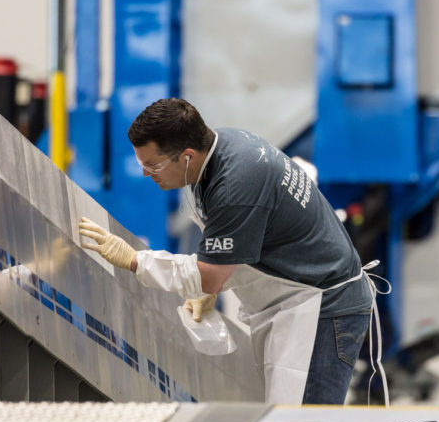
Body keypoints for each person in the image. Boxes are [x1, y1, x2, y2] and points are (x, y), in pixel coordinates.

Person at [79, 98, 378, 405]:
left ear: (186, 156)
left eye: (152, 165)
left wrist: (135, 261)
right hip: (294, 299)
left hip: (321, 310)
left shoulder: (237, 183)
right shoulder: (217, 151)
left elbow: (209, 276)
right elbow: (245, 238)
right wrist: (217, 278)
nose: (145, 173)